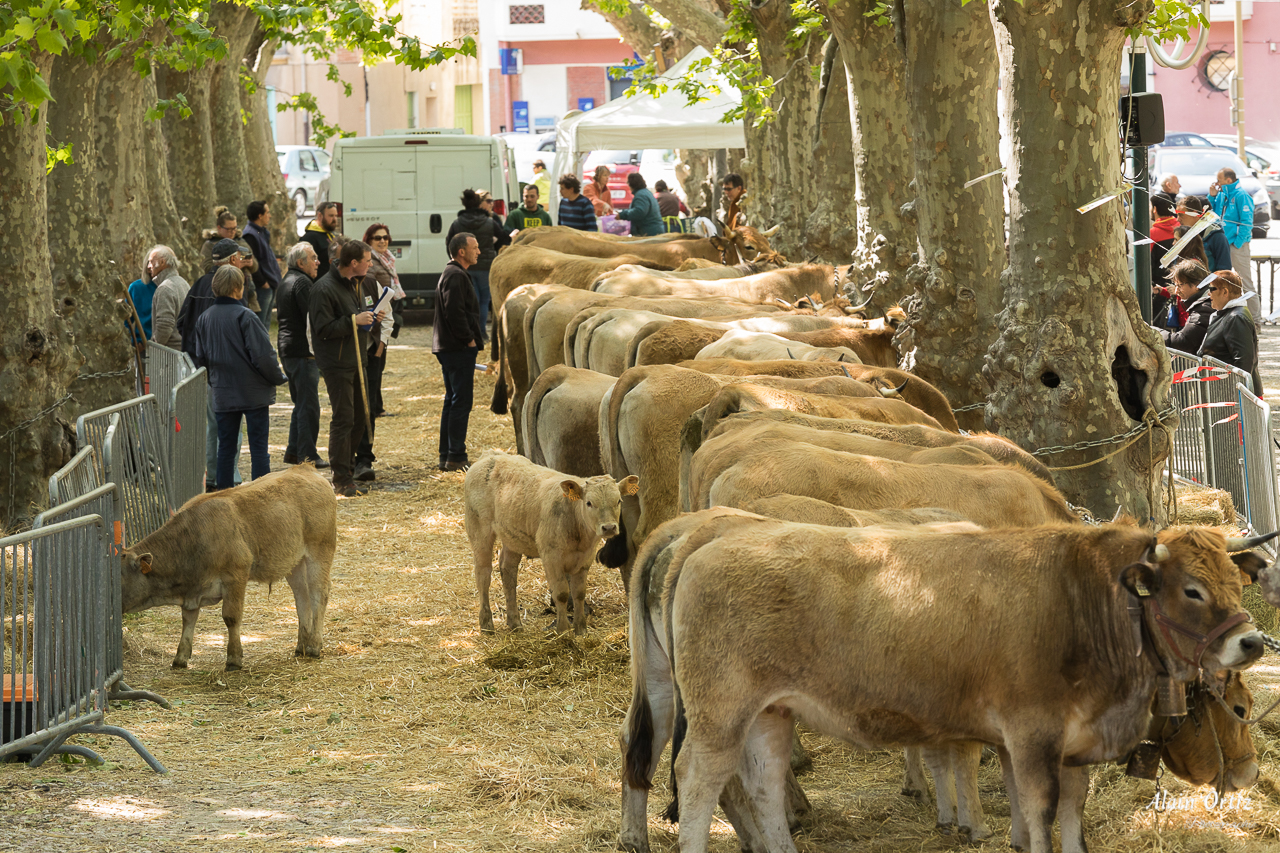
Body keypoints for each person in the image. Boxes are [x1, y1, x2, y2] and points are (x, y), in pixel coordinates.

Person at [189, 265, 288, 488]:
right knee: (258, 449)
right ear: (237, 288)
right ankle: (261, 494)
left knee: (226, 447)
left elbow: (201, 357)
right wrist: (277, 377)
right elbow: (263, 355)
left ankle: (225, 496)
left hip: (223, 391)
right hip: (253, 391)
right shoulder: (246, 316)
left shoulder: (204, 318)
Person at [310, 239, 385, 496]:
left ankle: (349, 468)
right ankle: (340, 478)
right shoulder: (323, 288)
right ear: (354, 263)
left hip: (357, 360)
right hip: (337, 363)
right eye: (367, 260)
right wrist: (354, 320)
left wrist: (372, 317)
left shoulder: (357, 283)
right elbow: (322, 329)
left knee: (362, 417)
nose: (371, 264)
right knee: (343, 419)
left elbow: (355, 319)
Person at [178, 238, 253, 489]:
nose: (242, 263)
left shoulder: (198, 283)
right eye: (240, 258)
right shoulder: (230, 291)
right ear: (232, 260)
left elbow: (181, 322)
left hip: (198, 368)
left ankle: (213, 476)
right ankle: (227, 477)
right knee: (229, 427)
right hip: (223, 372)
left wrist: (193, 352)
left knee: (213, 427)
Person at [433, 233, 484, 472]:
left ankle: (448, 454)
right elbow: (455, 313)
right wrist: (469, 340)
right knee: (460, 402)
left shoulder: (454, 273)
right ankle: (456, 455)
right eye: (474, 248)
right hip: (457, 348)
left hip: (451, 347)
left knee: (452, 401)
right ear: (461, 252)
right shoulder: (455, 275)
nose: (479, 251)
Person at [276, 242, 328, 469]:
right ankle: (307, 455)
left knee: (301, 403)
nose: (318, 262)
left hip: (290, 350)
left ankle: (294, 451)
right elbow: (314, 317)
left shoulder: (288, 280)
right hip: (300, 351)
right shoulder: (302, 282)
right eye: (313, 258)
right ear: (301, 262)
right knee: (308, 406)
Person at [362, 222, 407, 419]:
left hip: (388, 312)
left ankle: (377, 405)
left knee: (379, 364)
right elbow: (368, 288)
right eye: (377, 238)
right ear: (369, 240)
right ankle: (373, 407)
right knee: (374, 363)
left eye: (385, 237)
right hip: (377, 316)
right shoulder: (370, 260)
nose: (382, 241)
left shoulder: (387, 258)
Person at [1197, 268, 1263, 396]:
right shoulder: (1225, 314)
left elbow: (1243, 362)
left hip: (1235, 396)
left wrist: (1238, 395)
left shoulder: (1236, 317)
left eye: (1211, 289)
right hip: (1224, 392)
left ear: (1225, 292)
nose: (1208, 294)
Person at [446, 189, 499, 343]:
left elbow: (449, 244)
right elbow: (503, 237)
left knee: (471, 301)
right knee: (483, 301)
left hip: (465, 267)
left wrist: (456, 262)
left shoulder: (457, 223)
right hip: (485, 266)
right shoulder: (490, 222)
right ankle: (481, 332)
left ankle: (472, 331)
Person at [1208, 167, 1258, 330]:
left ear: (1228, 180)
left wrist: (1238, 242)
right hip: (1223, 242)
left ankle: (1255, 320)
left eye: (1220, 180)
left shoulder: (1241, 195)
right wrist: (1212, 196)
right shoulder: (1222, 194)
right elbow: (1214, 215)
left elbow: (1247, 221)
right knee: (1224, 281)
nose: (1217, 183)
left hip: (1236, 244)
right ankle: (1230, 318)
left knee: (1245, 281)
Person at [200, 206, 260, 310]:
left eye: (235, 228)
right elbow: (207, 267)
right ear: (219, 227)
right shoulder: (210, 244)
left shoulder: (241, 241)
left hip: (248, 292)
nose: (232, 232)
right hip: (224, 292)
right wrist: (234, 265)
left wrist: (250, 263)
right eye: (229, 229)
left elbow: (255, 265)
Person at [1158, 259, 1216, 354]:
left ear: (1197, 284)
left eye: (1180, 285)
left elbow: (1183, 343)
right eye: (1175, 285)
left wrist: (1155, 332)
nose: (1176, 291)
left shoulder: (1204, 308)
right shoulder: (1203, 304)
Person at [242, 199, 282, 327]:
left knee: (266, 324)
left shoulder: (262, 232)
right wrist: (263, 283)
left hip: (270, 284)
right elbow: (251, 262)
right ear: (260, 216)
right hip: (262, 287)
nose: (269, 216)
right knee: (259, 326)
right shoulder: (250, 235)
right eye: (267, 213)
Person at [147, 245, 190, 350]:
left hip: (170, 357)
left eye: (151, 261)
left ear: (162, 262)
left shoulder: (165, 288)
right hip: (184, 352)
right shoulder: (183, 283)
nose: (148, 266)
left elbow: (164, 327)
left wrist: (153, 346)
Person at [1178, 195, 1232, 274]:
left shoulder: (1217, 237)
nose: (1178, 219)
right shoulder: (1184, 236)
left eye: (1181, 215)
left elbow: (1224, 271)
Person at [1150, 194, 1178, 323]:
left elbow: (1147, 265)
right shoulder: (1180, 228)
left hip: (1158, 289)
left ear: (1154, 209)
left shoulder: (1152, 234)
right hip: (1179, 286)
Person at [616, 173, 664, 237]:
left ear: (631, 184)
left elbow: (639, 212)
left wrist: (622, 215)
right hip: (654, 231)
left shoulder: (641, 195)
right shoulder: (646, 193)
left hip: (649, 233)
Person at [302, 202, 341, 279]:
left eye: (336, 216)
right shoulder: (310, 238)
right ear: (320, 216)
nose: (334, 219)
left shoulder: (331, 235)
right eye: (331, 216)